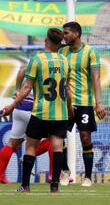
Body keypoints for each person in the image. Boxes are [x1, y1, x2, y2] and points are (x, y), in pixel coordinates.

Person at [1, 28, 73, 193]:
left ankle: (25, 186)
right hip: (59, 112)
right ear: (60, 44)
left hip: (40, 111)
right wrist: (69, 109)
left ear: (46, 41)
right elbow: (67, 89)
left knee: (31, 147)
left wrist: (12, 105)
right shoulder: (64, 61)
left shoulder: (37, 60)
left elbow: (27, 88)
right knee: (57, 147)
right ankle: (54, 185)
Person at [58, 21, 106, 187]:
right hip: (65, 103)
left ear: (76, 34)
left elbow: (96, 79)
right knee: (58, 136)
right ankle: (64, 172)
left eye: (66, 33)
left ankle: (88, 177)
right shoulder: (62, 51)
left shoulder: (90, 52)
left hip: (84, 102)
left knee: (85, 137)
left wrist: (98, 103)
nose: (64, 36)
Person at [0, 67, 53, 184]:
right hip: (31, 111)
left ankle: (0, 175)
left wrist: (18, 89)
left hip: (19, 109)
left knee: (12, 143)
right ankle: (52, 175)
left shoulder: (35, 64)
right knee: (53, 139)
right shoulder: (51, 69)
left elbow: (22, 69)